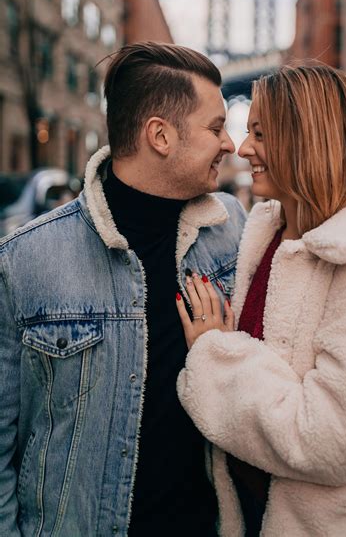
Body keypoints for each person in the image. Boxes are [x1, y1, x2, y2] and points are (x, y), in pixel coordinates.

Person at [0, 43, 246, 536]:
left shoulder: (235, 231)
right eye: (216, 128)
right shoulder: (26, 261)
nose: (231, 145)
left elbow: (303, 272)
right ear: (160, 136)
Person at [176, 65, 346, 537]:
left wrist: (215, 354)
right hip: (250, 515)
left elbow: (328, 441)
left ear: (308, 141)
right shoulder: (263, 237)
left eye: (260, 134)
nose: (245, 147)